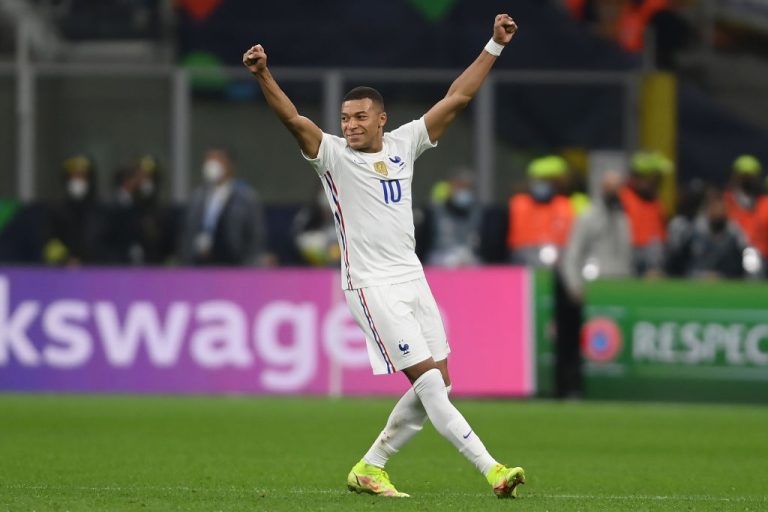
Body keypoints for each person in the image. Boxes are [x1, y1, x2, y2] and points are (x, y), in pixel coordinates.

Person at [243, 13, 524, 499]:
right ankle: (492, 469)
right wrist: (264, 74)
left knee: (441, 381)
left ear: (381, 119)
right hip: (370, 285)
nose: (349, 126)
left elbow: (458, 97)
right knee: (431, 385)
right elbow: (292, 119)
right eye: (345, 119)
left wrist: (494, 46)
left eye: (358, 118)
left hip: (413, 279)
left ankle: (371, 467)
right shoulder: (331, 155)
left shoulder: (404, 144)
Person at [179, 148, 268, 266]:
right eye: (209, 160)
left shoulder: (246, 198)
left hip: (234, 264)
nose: (211, 165)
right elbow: (187, 232)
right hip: (200, 264)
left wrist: (251, 264)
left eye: (217, 160)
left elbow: (256, 235)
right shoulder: (196, 197)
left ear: (230, 165)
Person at [507, 155, 575, 267]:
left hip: (561, 261)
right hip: (522, 260)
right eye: (540, 179)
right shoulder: (517, 204)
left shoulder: (569, 204)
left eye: (550, 180)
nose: (544, 184)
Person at [43, 154, 108, 266]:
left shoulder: (102, 211)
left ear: (90, 180)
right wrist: (65, 259)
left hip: (97, 272)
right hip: (64, 273)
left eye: (82, 176)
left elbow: (109, 244)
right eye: (73, 177)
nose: (77, 181)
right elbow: (50, 244)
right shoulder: (56, 211)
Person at [618, 150, 669, 276]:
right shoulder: (621, 200)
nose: (660, 182)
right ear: (641, 177)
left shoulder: (656, 202)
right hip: (627, 266)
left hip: (654, 268)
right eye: (656, 178)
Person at [425, 172, 483, 267]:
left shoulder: (475, 211)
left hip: (467, 257)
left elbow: (474, 241)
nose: (463, 191)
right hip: (440, 257)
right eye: (460, 187)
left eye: (467, 187)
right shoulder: (438, 211)